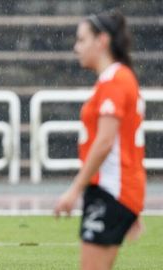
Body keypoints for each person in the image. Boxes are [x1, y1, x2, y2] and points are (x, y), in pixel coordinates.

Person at [54, 10, 146, 270]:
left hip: (110, 192)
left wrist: (74, 190)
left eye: (82, 40)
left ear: (102, 41)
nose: (76, 48)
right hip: (116, 192)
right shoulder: (118, 78)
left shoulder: (115, 80)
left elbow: (105, 143)